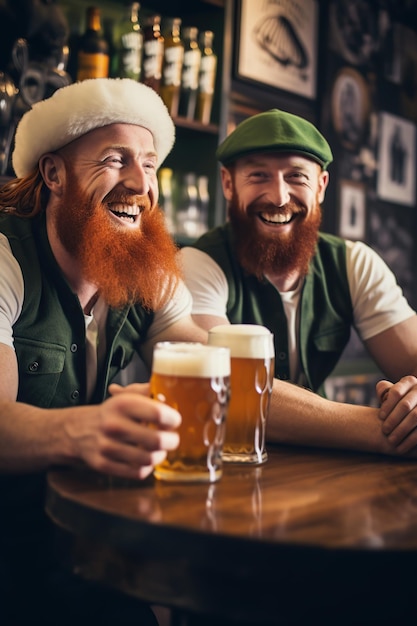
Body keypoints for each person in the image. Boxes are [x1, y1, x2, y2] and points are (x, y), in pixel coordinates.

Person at [0, 78, 208, 625]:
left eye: (150, 163)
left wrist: (383, 426)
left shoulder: (146, 270)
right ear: (53, 174)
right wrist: (94, 428)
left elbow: (218, 370)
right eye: (116, 160)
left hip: (85, 546)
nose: (141, 183)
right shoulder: (5, 257)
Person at [180, 108, 417, 459]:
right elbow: (227, 390)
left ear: (321, 186)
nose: (278, 197)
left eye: (296, 177)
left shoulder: (354, 263)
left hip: (318, 470)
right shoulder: (198, 264)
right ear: (229, 184)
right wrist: (382, 430)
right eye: (259, 175)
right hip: (223, 464)